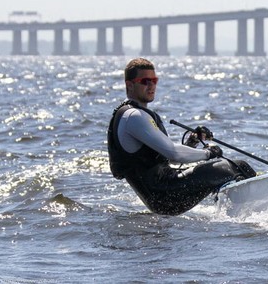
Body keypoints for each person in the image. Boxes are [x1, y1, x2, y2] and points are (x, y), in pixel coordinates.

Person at [107, 57, 256, 215]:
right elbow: (173, 153)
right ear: (129, 84)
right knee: (236, 166)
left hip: (163, 194)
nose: (151, 86)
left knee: (233, 169)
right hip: (165, 194)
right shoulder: (134, 117)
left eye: (154, 80)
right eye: (145, 81)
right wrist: (209, 153)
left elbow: (168, 158)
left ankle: (240, 211)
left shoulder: (134, 115)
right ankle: (258, 210)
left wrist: (192, 142)